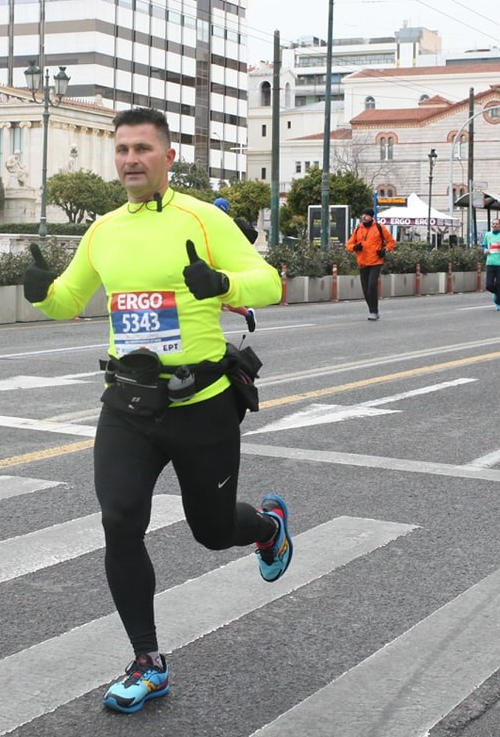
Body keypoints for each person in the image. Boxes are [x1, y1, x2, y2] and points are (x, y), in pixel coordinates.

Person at [22, 107, 290, 714]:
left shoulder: (204, 217)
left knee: (212, 530)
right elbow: (69, 301)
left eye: (143, 148)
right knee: (119, 520)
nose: (130, 159)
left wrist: (220, 284)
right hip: (128, 406)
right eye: (121, 149)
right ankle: (148, 661)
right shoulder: (104, 230)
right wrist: (42, 294)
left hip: (202, 406)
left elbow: (269, 282)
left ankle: (266, 527)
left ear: (169, 157)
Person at [213, 196, 258, 332]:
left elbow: (252, 236)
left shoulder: (232, 225)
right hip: (212, 265)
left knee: (228, 303)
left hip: (227, 266)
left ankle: (248, 315)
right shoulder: (208, 223)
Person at [345, 209, 395, 321]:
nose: (364, 217)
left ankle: (374, 311)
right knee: (366, 289)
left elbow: (391, 241)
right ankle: (372, 310)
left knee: (372, 285)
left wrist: (385, 250)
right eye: (363, 215)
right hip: (362, 261)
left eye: (367, 215)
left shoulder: (379, 228)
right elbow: (348, 244)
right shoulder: (358, 229)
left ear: (372, 217)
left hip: (376, 261)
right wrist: (354, 247)